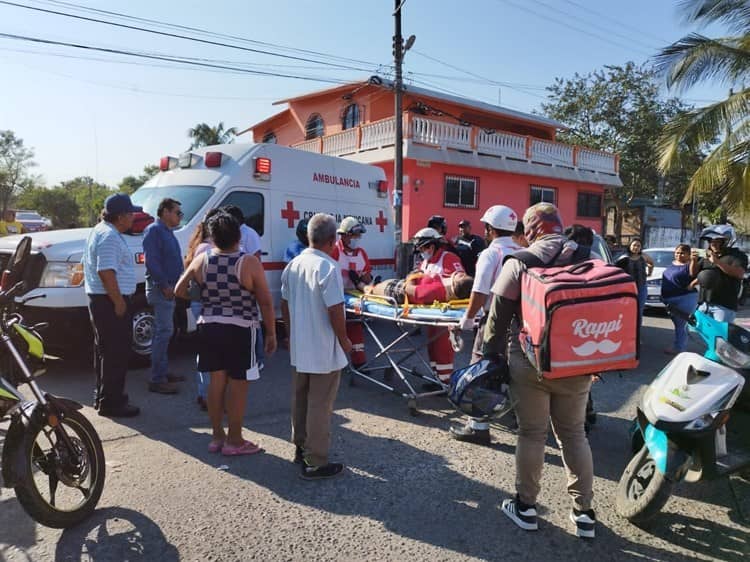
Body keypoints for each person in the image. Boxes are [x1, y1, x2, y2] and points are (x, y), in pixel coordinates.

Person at [482, 202, 597, 538]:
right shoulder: (590, 257)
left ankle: (526, 506)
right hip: (577, 361)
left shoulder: (520, 261)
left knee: (532, 433)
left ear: (530, 229)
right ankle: (584, 512)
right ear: (559, 224)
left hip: (530, 363)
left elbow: (497, 319)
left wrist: (491, 358)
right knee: (574, 434)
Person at [176, 210, 276, 455]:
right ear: (238, 235)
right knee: (238, 384)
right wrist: (272, 332)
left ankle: (217, 436)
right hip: (241, 329)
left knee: (215, 383)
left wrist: (199, 294)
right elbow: (264, 301)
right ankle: (235, 439)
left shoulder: (202, 260)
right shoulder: (248, 262)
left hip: (209, 326)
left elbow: (179, 289)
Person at [281, 213, 352, 480]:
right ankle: (315, 460)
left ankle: (300, 448)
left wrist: (290, 334)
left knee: (301, 398)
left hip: (300, 346)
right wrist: (344, 340)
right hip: (323, 347)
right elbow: (335, 308)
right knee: (320, 404)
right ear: (333, 240)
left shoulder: (294, 265)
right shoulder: (328, 267)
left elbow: (284, 304)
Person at [451, 205, 522, 445]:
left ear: (489, 229)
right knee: (513, 370)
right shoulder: (524, 252)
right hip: (521, 323)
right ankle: (517, 417)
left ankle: (478, 427)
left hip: (494, 320)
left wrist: (467, 321)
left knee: (482, 372)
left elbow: (479, 292)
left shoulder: (491, 254)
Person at [82, 194, 142, 418]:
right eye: (131, 213)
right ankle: (112, 402)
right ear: (121, 216)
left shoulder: (101, 230)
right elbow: (106, 271)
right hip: (108, 300)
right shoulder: (109, 236)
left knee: (105, 352)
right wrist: (118, 302)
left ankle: (104, 396)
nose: (133, 217)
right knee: (116, 352)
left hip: (100, 299)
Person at [143, 198, 185, 395]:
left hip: (169, 288)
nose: (179, 217)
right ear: (166, 212)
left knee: (166, 332)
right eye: (178, 212)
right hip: (162, 289)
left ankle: (163, 371)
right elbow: (151, 261)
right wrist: (164, 284)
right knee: (163, 332)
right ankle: (157, 379)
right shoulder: (154, 230)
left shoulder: (167, 232)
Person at [413, 227, 465, 385]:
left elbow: (459, 285)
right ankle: (437, 379)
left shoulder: (448, 258)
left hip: (446, 314)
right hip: (430, 313)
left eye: (423, 247)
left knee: (443, 348)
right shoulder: (425, 262)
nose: (421, 251)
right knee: (432, 348)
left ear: (432, 246)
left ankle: (445, 382)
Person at [183, 209, 221, 410]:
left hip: (202, 304)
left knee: (205, 351)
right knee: (212, 354)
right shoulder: (207, 248)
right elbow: (205, 279)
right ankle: (208, 397)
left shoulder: (200, 245)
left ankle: (203, 393)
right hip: (208, 305)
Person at [331, 217, 372, 369]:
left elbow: (367, 275)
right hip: (336, 296)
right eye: (355, 235)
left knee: (355, 329)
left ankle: (359, 362)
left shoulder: (361, 253)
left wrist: (362, 278)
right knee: (334, 331)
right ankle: (335, 363)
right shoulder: (334, 251)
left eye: (359, 236)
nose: (357, 239)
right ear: (345, 235)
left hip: (355, 296)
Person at [690, 226, 748, 323]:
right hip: (704, 303)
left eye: (717, 241)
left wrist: (717, 262)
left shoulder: (737, 255)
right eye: (711, 241)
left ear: (727, 241)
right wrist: (693, 261)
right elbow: (693, 273)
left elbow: (739, 274)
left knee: (721, 336)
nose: (713, 244)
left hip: (724, 306)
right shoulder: (707, 255)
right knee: (705, 336)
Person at [662, 244, 698, 354]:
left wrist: (693, 261)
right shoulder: (673, 264)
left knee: (680, 324)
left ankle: (679, 348)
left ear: (688, 254)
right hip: (670, 299)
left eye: (682, 253)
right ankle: (679, 344)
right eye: (677, 252)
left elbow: (694, 274)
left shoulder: (689, 265)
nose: (679, 255)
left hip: (684, 298)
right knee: (679, 325)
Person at [363, 270, 474, 304]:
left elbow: (409, 290)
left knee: (371, 290)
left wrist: (412, 276)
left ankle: (361, 285)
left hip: (397, 291)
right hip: (400, 286)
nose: (462, 273)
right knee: (375, 286)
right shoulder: (442, 289)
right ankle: (370, 284)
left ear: (456, 284)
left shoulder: (436, 291)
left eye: (462, 276)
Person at [615, 238, 653, 328]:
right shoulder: (624, 259)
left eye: (638, 246)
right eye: (634, 245)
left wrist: (649, 273)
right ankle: (627, 330)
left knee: (639, 311)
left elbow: (651, 263)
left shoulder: (643, 256)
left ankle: (637, 333)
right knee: (627, 310)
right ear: (630, 246)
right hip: (628, 289)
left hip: (641, 288)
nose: (636, 247)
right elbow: (615, 271)